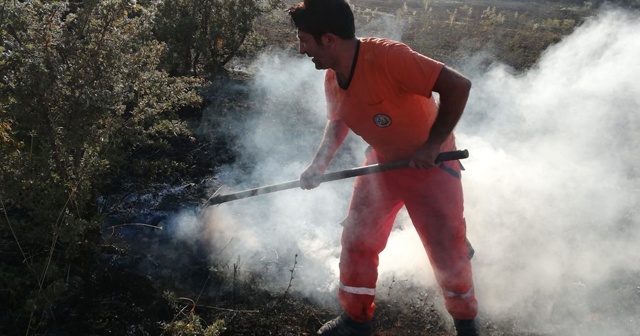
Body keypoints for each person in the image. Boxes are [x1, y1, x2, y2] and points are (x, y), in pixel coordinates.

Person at [288, 0, 478, 335]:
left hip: (432, 168)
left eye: (305, 40)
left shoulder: (390, 58)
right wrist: (318, 165)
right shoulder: (333, 78)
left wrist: (432, 145)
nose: (301, 49)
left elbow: (458, 86)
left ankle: (465, 323)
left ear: (329, 39)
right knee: (357, 239)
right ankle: (356, 320)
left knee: (447, 253)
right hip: (382, 167)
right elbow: (338, 121)